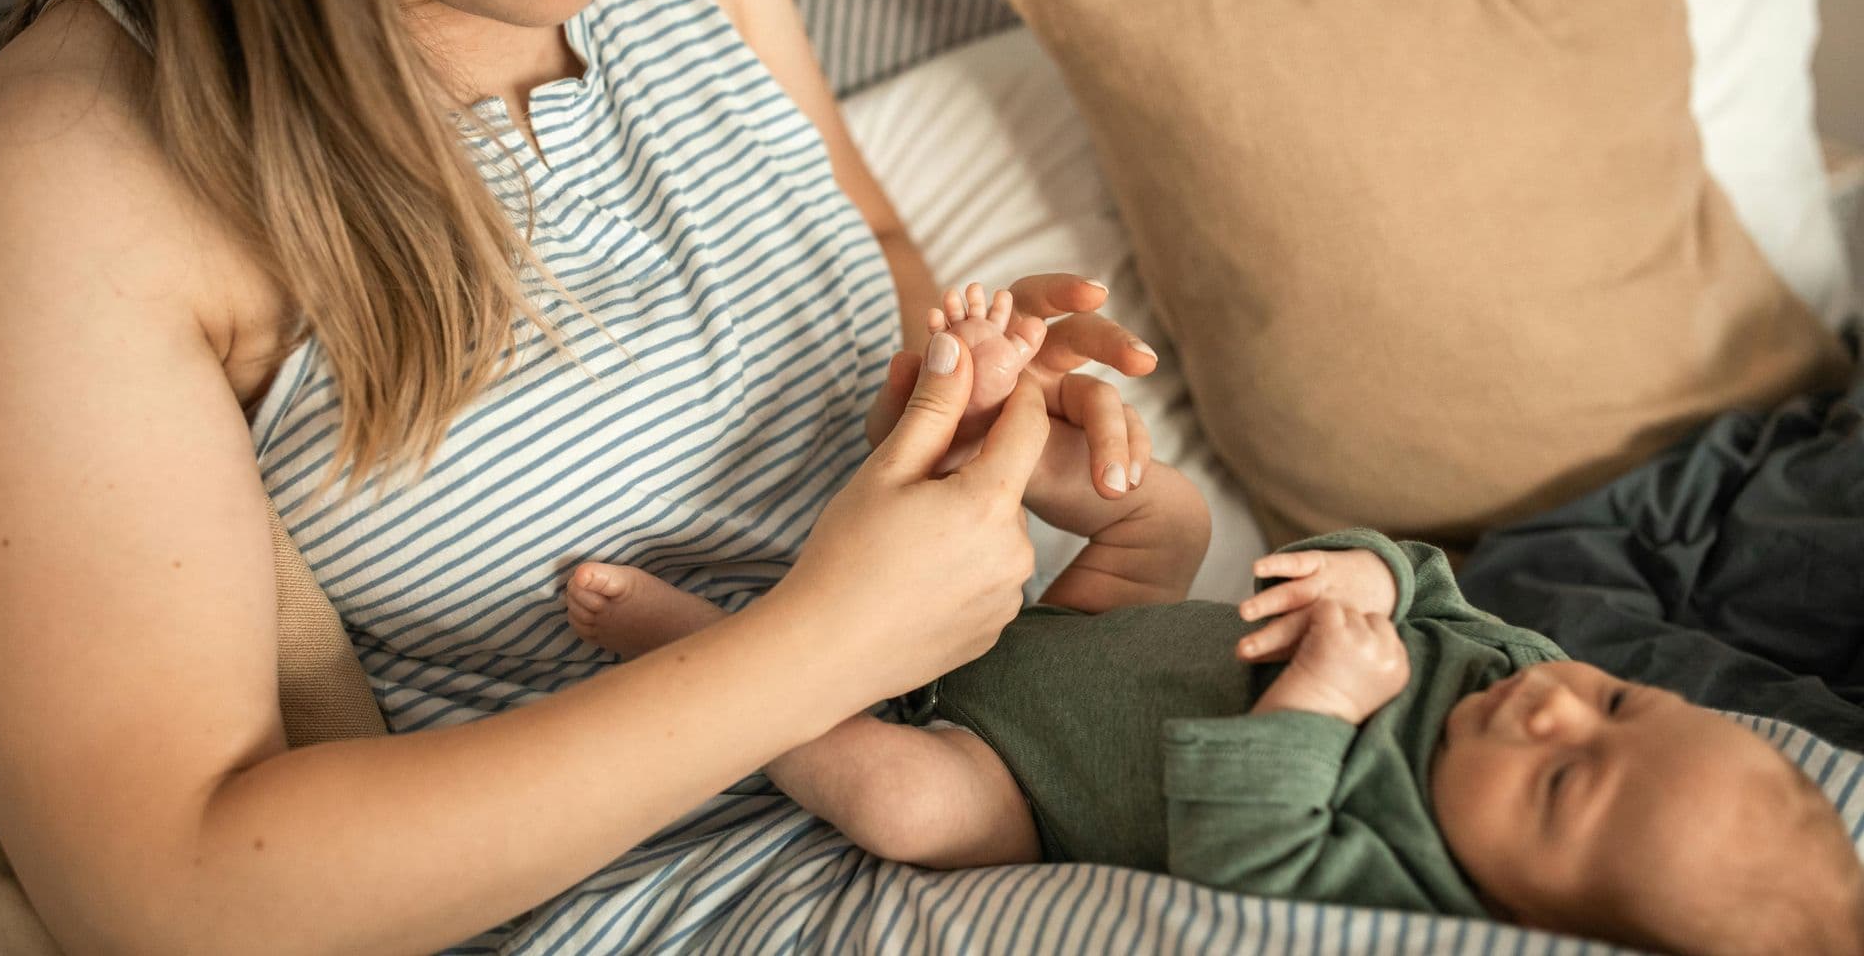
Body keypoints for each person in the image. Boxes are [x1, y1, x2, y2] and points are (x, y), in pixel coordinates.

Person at [0, 0, 1161, 951]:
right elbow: (171, 898)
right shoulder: (68, 181)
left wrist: (954, 402)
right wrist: (832, 645)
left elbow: (873, 240)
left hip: (1014, 753)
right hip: (693, 897)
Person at [571, 424, 1864, 956]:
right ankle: (985, 440)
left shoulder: (1403, 874)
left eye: (1566, 782)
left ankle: (700, 650)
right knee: (1165, 513)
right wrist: (1363, 581)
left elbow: (1245, 859)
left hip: (1019, 774)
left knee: (905, 805)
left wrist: (1320, 703)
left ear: (1537, 924)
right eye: (1621, 705)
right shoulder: (1516, 684)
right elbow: (1430, 588)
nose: (1554, 712)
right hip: (1112, 627)